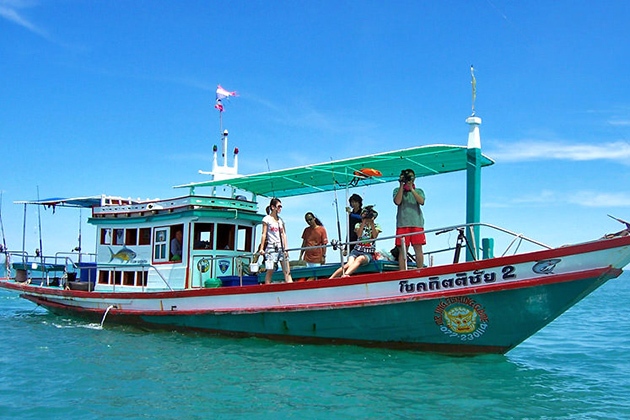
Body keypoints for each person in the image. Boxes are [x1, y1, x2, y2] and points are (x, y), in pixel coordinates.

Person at [330, 205, 381, 278]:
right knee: (348, 264)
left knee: (360, 259)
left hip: (368, 253)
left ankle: (346, 275)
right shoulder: (358, 225)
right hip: (356, 251)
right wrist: (363, 222)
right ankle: (331, 278)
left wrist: (372, 223)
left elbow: (374, 236)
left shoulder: (377, 226)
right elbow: (359, 235)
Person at [393, 168, 426, 270]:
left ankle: (420, 270)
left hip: (416, 224)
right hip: (402, 224)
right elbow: (397, 201)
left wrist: (411, 188)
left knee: (418, 248)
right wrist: (401, 185)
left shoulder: (419, 191)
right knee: (403, 250)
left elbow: (421, 202)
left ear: (414, 178)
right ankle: (402, 271)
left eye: (410, 177)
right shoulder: (397, 191)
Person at [257, 198, 293, 284]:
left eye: (281, 207)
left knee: (287, 271)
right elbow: (264, 234)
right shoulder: (267, 219)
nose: (280, 208)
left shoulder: (280, 220)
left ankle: (291, 286)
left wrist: (286, 248)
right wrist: (261, 248)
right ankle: (267, 288)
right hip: (272, 248)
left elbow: (284, 234)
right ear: (273, 207)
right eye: (279, 206)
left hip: (281, 248)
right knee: (270, 271)